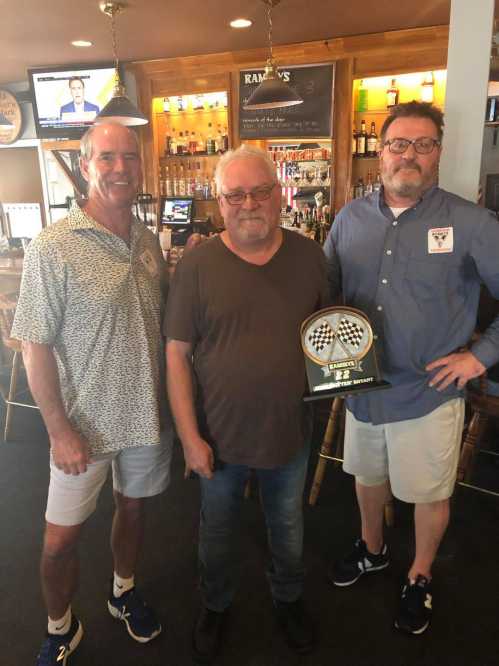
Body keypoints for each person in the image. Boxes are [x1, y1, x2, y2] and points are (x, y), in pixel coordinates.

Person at [324, 101, 499, 635]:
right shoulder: (349, 218)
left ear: (438, 154)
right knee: (367, 478)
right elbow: (326, 293)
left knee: (428, 494)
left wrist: (480, 356)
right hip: (360, 390)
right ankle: (372, 548)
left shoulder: (472, 223)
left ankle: (419, 575)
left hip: (427, 393)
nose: (411, 155)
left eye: (424, 145)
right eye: (400, 144)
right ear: (381, 153)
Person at [11, 122, 173, 665]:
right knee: (59, 543)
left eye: (129, 156)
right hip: (84, 426)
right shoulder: (52, 246)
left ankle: (123, 591)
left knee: (133, 511)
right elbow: (34, 346)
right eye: (107, 157)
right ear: (85, 166)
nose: (121, 167)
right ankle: (60, 627)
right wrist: (58, 430)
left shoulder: (149, 242)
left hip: (148, 418)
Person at [165, 144, 329, 662]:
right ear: (219, 204)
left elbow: (330, 337)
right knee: (216, 532)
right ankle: (215, 605)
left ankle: (288, 599)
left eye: (260, 191)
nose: (249, 204)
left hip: (288, 428)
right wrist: (190, 439)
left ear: (280, 195)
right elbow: (176, 356)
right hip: (218, 435)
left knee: (288, 528)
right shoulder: (196, 265)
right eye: (235, 195)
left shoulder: (310, 256)